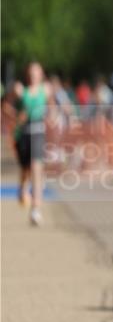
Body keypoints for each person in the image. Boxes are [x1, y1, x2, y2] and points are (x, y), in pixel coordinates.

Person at [13, 62, 51, 226]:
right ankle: (22, 189)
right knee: (25, 170)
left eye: (38, 72)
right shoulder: (21, 90)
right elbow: (9, 108)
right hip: (24, 133)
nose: (35, 75)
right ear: (28, 74)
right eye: (32, 72)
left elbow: (52, 108)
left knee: (37, 169)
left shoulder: (46, 90)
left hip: (38, 131)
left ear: (41, 74)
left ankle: (35, 210)